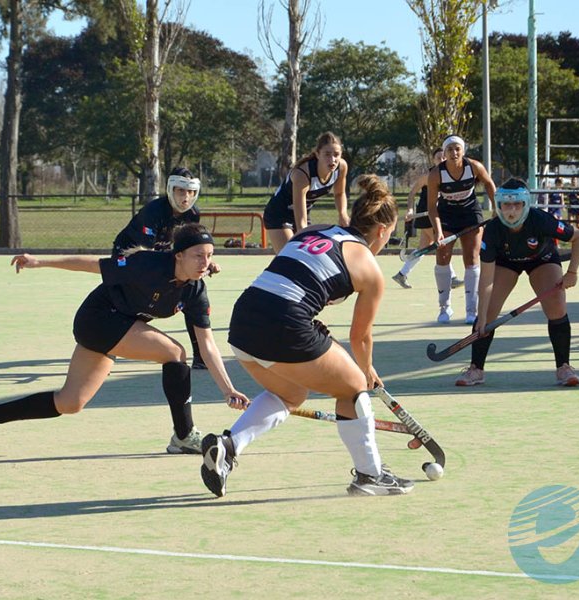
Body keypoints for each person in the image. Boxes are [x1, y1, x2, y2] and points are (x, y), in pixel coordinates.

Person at [200, 174, 414, 498]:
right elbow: (361, 337)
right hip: (284, 322)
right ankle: (371, 475)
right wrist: (367, 371)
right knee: (353, 387)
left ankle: (228, 447)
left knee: (291, 395)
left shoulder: (316, 230)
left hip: (243, 320)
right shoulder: (369, 266)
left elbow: (296, 274)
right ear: (383, 230)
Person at [0, 224, 246, 456]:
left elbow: (208, 346)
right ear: (178, 256)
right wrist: (41, 261)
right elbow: (93, 265)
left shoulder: (196, 291)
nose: (205, 263)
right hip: (97, 319)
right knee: (174, 352)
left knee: (70, 402)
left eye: (209, 256)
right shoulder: (147, 265)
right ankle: (184, 435)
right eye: (198, 255)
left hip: (121, 327)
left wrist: (228, 390)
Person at [453, 178, 579, 388]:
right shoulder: (493, 230)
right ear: (499, 205)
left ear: (526, 204)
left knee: (557, 306)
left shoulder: (541, 220)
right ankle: (476, 369)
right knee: (487, 314)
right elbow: (486, 279)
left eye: (517, 205)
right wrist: (482, 316)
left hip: (541, 259)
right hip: (507, 262)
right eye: (506, 204)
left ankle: (564, 367)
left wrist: (572, 272)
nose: (511, 211)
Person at [112, 166, 214, 369]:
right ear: (170, 189)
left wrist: (203, 262)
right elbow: (146, 255)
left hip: (166, 256)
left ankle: (201, 355)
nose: (186, 197)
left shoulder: (193, 214)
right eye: (181, 191)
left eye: (191, 192)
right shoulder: (153, 211)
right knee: (125, 303)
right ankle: (107, 347)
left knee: (191, 295)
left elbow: (188, 246)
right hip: (131, 254)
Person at [426, 134, 497, 325]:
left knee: (472, 257)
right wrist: (439, 231)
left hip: (470, 213)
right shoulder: (435, 174)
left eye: (457, 148)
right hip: (447, 214)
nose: (454, 152)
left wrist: (496, 209)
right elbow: (432, 207)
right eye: (450, 149)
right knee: (442, 256)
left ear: (463, 151)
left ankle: (471, 311)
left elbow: (489, 185)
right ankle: (444, 307)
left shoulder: (474, 166)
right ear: (444, 153)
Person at [263, 131, 350, 254]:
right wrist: (304, 238)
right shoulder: (302, 174)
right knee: (292, 256)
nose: (332, 159)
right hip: (278, 214)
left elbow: (339, 193)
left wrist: (343, 214)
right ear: (317, 154)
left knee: (308, 257)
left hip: (302, 214)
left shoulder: (341, 167)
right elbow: (301, 224)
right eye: (327, 154)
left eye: (336, 154)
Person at [391, 148, 463, 290]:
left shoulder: (450, 176)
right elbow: (412, 193)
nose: (442, 160)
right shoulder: (428, 176)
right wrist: (410, 209)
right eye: (438, 158)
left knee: (423, 248)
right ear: (433, 160)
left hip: (437, 215)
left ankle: (402, 274)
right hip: (427, 215)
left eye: (444, 157)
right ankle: (452, 277)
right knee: (441, 244)